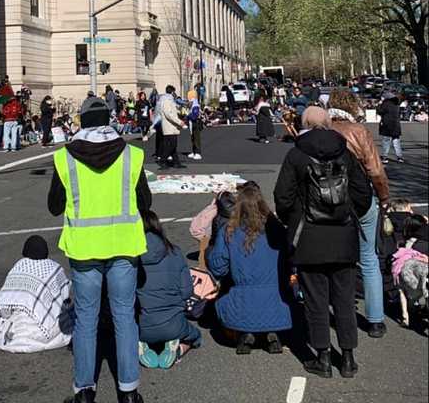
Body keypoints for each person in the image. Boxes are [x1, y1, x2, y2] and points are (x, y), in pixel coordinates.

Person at [48, 95, 151, 403]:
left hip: (84, 249)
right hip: (123, 246)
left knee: (86, 320)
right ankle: (129, 391)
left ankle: (84, 391)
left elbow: (54, 206)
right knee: (124, 317)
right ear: (108, 120)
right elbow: (145, 202)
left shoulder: (65, 157)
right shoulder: (131, 154)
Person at [274, 106, 372, 379]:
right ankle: (349, 358)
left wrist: (292, 220)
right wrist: (351, 214)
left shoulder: (296, 155)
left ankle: (323, 357)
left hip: (309, 235)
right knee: (344, 299)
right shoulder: (345, 153)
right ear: (328, 123)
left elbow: (283, 197)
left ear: (304, 124)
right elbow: (363, 192)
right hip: (343, 234)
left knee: (316, 301)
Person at [328, 88, 390, 338]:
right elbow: (375, 171)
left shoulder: (323, 131)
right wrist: (384, 197)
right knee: (369, 259)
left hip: (329, 201)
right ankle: (375, 320)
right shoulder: (359, 132)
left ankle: (337, 310)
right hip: (361, 198)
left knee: (334, 258)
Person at [207, 185, 292, 355]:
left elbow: (218, 267)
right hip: (276, 297)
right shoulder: (276, 229)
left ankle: (247, 332)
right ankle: (271, 332)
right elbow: (288, 261)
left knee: (229, 290)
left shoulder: (229, 230)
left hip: (242, 296)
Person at [136, 211, 200, 370]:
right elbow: (187, 292)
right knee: (196, 337)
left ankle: (138, 344)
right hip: (173, 322)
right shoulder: (174, 252)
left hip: (137, 324)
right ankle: (178, 349)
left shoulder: (128, 257)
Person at [0, 236, 73, 353]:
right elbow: (65, 299)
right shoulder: (55, 268)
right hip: (52, 330)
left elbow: (4, 309)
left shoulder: (18, 267)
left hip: (19, 332)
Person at [158, 85, 185, 169]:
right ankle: (163, 160)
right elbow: (168, 114)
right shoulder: (166, 100)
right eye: (174, 92)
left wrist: (180, 107)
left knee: (171, 146)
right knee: (172, 145)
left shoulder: (170, 100)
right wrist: (179, 122)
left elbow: (173, 111)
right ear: (172, 92)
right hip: (169, 126)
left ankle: (176, 162)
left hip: (171, 126)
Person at [377, 93, 404, 164]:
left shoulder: (385, 104)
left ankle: (385, 157)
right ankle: (399, 157)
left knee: (386, 141)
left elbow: (380, 111)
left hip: (387, 125)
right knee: (396, 142)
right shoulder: (396, 104)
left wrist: (379, 104)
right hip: (396, 125)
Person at [187, 91, 203, 161]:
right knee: (192, 137)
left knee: (196, 138)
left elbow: (195, 116)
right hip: (192, 123)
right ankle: (194, 151)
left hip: (195, 123)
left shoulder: (195, 105)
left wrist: (188, 116)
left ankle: (198, 153)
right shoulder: (192, 104)